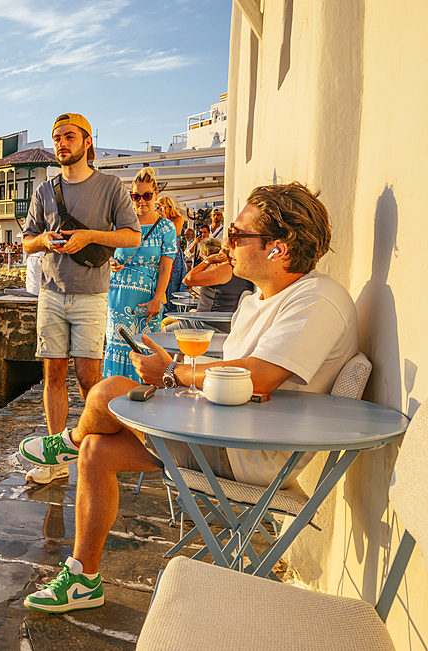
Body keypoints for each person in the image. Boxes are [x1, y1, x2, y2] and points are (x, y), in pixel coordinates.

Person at [19, 182, 357, 612]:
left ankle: (66, 444)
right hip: (224, 432)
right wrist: (180, 378)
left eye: (237, 236)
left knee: (109, 393)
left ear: (278, 248)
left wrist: (174, 374)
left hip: (247, 454)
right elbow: (239, 377)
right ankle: (84, 579)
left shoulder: (317, 300)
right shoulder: (262, 299)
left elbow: (259, 379)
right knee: (98, 452)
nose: (224, 244)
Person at [20, 112, 142, 485]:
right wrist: (46, 240)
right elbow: (27, 241)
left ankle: (97, 453)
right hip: (51, 293)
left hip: (91, 294)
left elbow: (131, 237)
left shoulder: (111, 187)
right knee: (52, 374)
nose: (61, 143)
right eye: (56, 137)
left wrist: (89, 236)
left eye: (69, 136)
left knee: (89, 377)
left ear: (88, 142)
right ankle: (56, 459)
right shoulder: (45, 191)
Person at [103, 167, 178, 381]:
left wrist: (157, 299)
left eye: (146, 196)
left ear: (156, 195)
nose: (141, 201)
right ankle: (115, 402)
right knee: (117, 349)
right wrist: (110, 262)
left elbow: (166, 268)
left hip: (147, 300)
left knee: (145, 350)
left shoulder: (166, 228)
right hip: (117, 297)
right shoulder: (121, 224)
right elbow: (108, 254)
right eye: (136, 196)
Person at [178, 237, 254, 333]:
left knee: (164, 326)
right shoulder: (244, 270)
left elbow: (187, 280)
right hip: (222, 325)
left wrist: (207, 261)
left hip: (207, 325)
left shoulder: (226, 270)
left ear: (221, 252)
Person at [156, 195, 187, 313]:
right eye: (158, 206)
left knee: (173, 284)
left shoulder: (178, 219)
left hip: (174, 257)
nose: (161, 209)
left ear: (170, 207)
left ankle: (172, 312)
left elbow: (174, 233)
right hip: (160, 256)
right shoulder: (156, 220)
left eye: (163, 207)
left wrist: (163, 219)